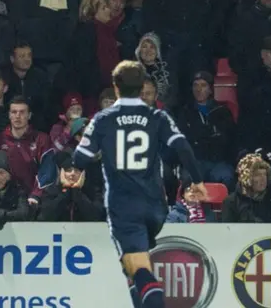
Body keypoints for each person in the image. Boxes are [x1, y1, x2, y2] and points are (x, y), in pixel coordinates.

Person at [73, 60, 207, 308]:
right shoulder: (157, 116)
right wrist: (198, 180)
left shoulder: (103, 118)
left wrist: (77, 170)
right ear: (142, 86)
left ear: (116, 87)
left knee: (141, 270)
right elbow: (182, 147)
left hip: (124, 207)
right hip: (156, 206)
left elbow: (80, 157)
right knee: (131, 269)